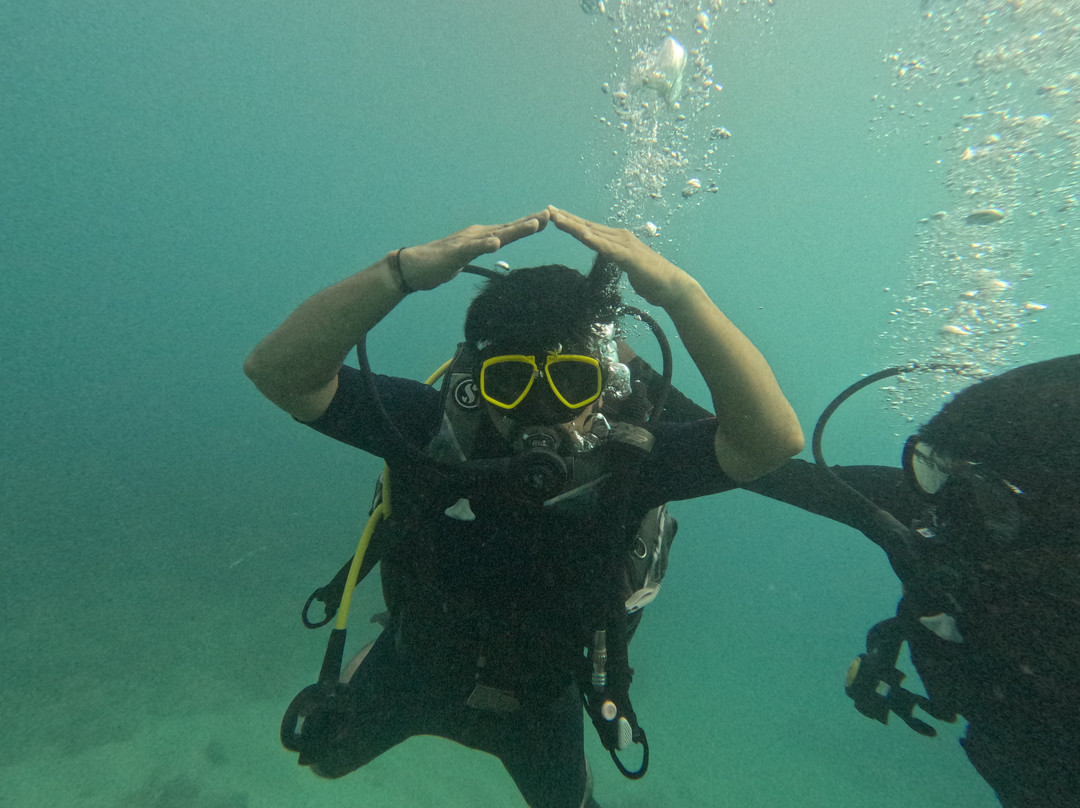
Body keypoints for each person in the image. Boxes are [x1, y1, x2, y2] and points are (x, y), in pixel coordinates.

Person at [243, 206, 804, 808]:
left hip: (540, 706)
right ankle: (368, 665)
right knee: (322, 762)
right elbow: (280, 373)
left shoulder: (631, 462)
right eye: (509, 381)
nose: (543, 411)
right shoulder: (434, 433)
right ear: (476, 380)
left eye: (572, 382)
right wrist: (397, 273)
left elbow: (771, 442)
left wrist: (682, 294)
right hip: (413, 667)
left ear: (607, 385)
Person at [742, 355, 1080, 808]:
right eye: (933, 468)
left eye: (987, 500)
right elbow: (763, 468)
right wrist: (639, 381)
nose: (944, 520)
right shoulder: (939, 514)